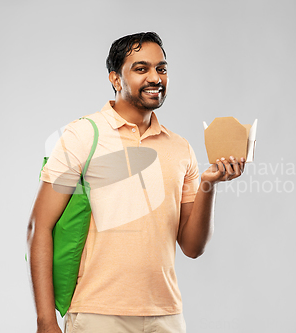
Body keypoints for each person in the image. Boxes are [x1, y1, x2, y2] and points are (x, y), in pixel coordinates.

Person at [26, 32, 246, 333]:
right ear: (115, 79)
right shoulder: (82, 136)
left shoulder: (180, 148)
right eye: (141, 69)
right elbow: (39, 228)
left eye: (162, 68)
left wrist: (209, 184)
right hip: (98, 314)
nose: (155, 77)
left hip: (166, 316)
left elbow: (193, 247)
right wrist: (45, 321)